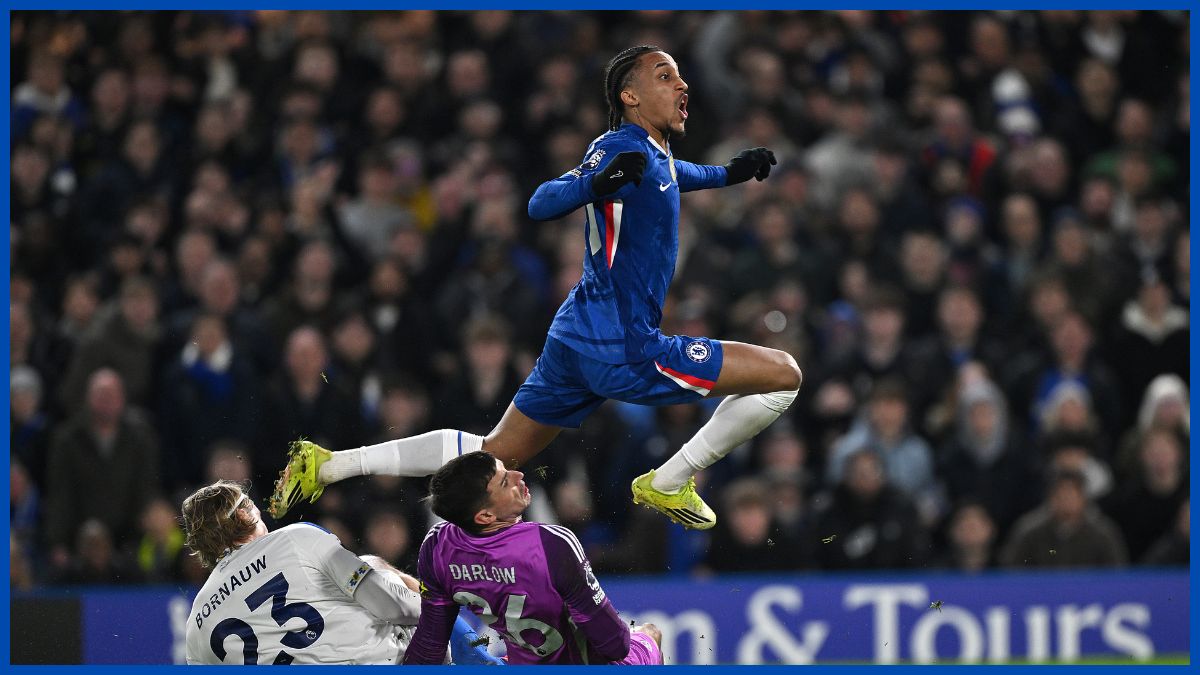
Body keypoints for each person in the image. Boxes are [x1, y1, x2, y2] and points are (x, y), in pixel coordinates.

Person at [272, 45, 801, 531]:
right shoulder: (618, 148)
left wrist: (727, 173)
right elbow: (541, 203)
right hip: (622, 344)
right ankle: (668, 481)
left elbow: (672, 174)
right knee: (783, 376)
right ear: (630, 95)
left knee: (494, 456)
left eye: (682, 76)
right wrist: (595, 183)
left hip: (576, 334)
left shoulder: (650, 155)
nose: (683, 85)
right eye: (666, 77)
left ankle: (330, 465)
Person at [180, 480, 499, 665]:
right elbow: (397, 606)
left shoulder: (197, 624)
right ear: (247, 515)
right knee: (377, 569)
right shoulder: (294, 538)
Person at [402, 451, 663, 665]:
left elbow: (430, 647)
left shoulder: (436, 545)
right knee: (650, 632)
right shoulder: (551, 544)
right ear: (485, 517)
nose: (519, 475)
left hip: (520, 665)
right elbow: (614, 644)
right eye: (505, 481)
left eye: (507, 469)